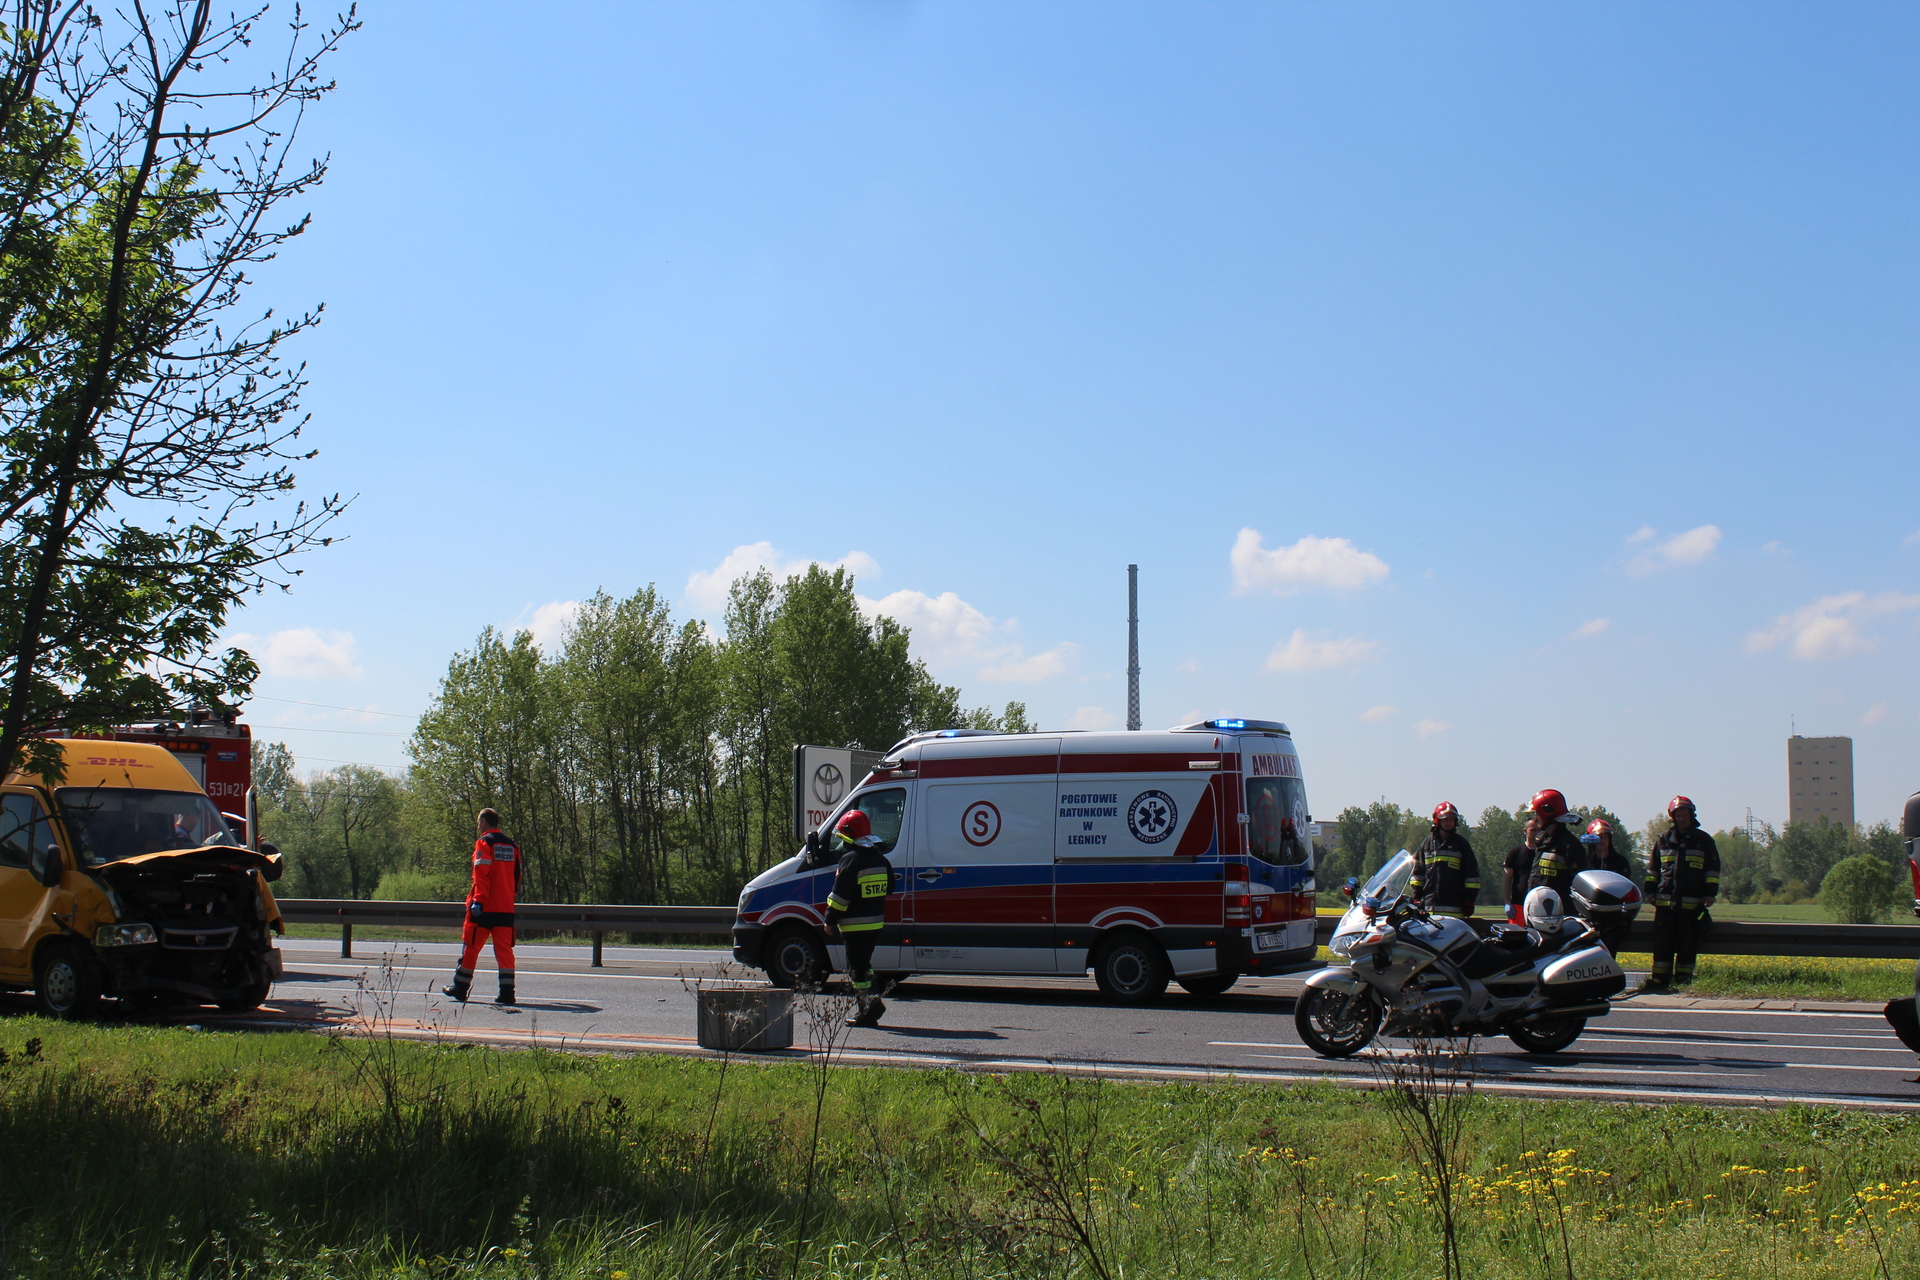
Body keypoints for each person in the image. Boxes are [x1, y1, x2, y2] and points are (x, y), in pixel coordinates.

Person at [822, 808, 895, 1028]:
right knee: (864, 965)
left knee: (857, 971)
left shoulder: (850, 860)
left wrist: (830, 919)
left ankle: (869, 1011)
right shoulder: (881, 859)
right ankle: (873, 1004)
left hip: (854, 926)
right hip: (875, 924)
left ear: (849, 836)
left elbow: (840, 896)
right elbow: (890, 887)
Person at [1640, 795, 1719, 991]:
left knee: (1687, 944)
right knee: (1662, 944)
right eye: (1678, 815)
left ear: (1692, 815)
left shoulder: (1703, 841)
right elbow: (1653, 869)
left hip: (1691, 907)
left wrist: (1710, 894)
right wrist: (1650, 891)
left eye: (1685, 815)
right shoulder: (1663, 840)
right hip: (1664, 906)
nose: (1682, 818)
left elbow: (1712, 871)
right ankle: (1659, 979)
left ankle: (1684, 978)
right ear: (1673, 817)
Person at [443, 808, 520, 1006]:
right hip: (505, 907)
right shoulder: (512, 845)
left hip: (484, 907)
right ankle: (507, 993)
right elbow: (517, 875)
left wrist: (478, 899)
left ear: (484, 822)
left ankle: (460, 988)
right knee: (504, 951)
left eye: (479, 823)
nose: (478, 827)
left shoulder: (484, 843)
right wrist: (509, 896)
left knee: (471, 946)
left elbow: (481, 873)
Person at [1409, 802, 1480, 919]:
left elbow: (1472, 877)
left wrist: (1469, 901)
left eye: (1451, 820)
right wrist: (1416, 897)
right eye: (1445, 819)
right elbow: (1417, 874)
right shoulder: (1427, 844)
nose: (1448, 823)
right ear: (1437, 820)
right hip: (1429, 908)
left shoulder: (1461, 844)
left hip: (1455, 908)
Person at [1524, 789, 1588, 899]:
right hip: (1538, 903)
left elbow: (1578, 882)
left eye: (1537, 813)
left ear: (1547, 813)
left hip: (1560, 907)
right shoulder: (1542, 840)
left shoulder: (1569, 844)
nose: (1535, 818)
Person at [1501, 837, 1534, 926]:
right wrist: (1507, 902)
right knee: (1516, 933)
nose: (1536, 833)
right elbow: (1507, 879)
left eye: (1539, 830)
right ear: (1525, 831)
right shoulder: (1515, 852)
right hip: (1518, 904)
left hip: (1538, 905)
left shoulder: (1544, 852)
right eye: (1533, 830)